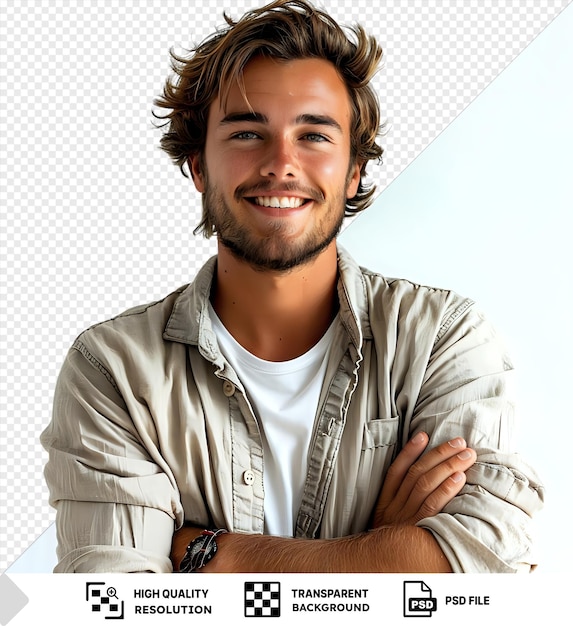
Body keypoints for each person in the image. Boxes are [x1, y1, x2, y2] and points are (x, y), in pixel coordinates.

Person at [40, 0, 544, 574]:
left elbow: (491, 569)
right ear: (199, 167)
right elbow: (114, 604)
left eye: (314, 136)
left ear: (354, 169)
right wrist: (387, 549)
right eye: (248, 133)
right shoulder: (114, 370)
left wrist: (213, 557)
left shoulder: (442, 340)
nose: (281, 163)